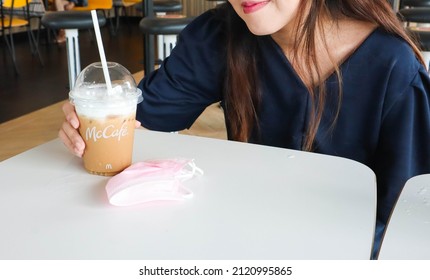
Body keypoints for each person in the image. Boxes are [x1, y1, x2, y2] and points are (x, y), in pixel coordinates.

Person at [59, 0, 430, 259]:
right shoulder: (221, 36)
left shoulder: (393, 68)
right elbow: (143, 118)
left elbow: (407, 216)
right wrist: (90, 119)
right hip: (241, 245)